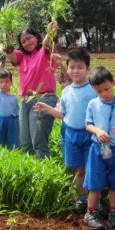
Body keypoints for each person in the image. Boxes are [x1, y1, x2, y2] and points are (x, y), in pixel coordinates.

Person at [35, 48, 96, 214]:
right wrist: (47, 108)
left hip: (89, 134)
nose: (75, 71)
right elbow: (62, 114)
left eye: (80, 67)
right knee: (74, 167)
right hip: (71, 133)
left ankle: (90, 199)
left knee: (86, 168)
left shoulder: (93, 90)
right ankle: (80, 198)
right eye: (72, 67)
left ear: (88, 69)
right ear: (67, 69)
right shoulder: (67, 91)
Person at [83, 67, 115, 230]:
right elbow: (88, 124)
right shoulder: (93, 104)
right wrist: (97, 131)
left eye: (107, 89)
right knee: (95, 182)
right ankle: (90, 213)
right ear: (93, 90)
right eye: (99, 91)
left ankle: (113, 212)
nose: (104, 93)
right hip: (98, 148)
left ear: (113, 83)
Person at [2, 25, 59, 158]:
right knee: (26, 143)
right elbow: (11, 54)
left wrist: (50, 31)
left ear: (37, 37)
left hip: (43, 98)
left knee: (38, 143)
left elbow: (47, 42)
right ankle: (32, 172)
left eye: (29, 38)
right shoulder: (22, 56)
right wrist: (7, 39)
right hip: (26, 101)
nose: (27, 43)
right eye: (23, 41)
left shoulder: (45, 51)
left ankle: (44, 174)